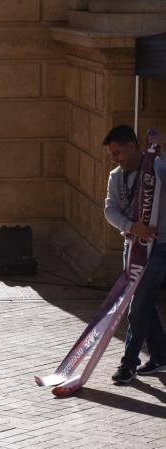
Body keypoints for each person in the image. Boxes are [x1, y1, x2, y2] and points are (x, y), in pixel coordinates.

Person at [103, 125, 166, 383]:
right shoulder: (116, 176)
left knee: (137, 305)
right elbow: (110, 210)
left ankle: (129, 363)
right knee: (144, 303)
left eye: (118, 153)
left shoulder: (158, 168)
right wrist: (131, 227)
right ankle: (161, 355)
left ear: (132, 147)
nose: (115, 158)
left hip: (158, 249)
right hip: (131, 247)